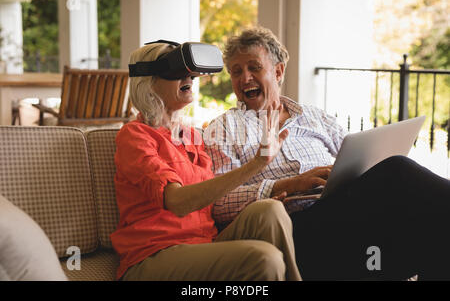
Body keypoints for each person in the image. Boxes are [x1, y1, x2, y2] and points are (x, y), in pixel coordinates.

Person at [203, 26, 450, 280]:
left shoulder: (314, 116)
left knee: (433, 232)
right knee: (398, 171)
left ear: (278, 71)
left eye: (254, 68)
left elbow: (358, 155)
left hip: (342, 208)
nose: (245, 78)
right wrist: (289, 184)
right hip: (294, 225)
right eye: (236, 71)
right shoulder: (223, 128)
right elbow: (219, 204)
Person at [110, 40, 302, 281]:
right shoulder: (135, 135)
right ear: (149, 83)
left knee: (270, 210)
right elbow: (177, 202)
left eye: (191, 73)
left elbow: (212, 197)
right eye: (177, 72)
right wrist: (257, 163)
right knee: (264, 258)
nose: (189, 78)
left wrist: (260, 195)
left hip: (204, 243)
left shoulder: (193, 137)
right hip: (153, 255)